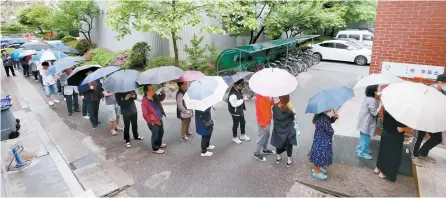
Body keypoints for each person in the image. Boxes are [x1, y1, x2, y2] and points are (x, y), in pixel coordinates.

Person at [412, 74, 446, 166]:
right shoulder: (428, 90)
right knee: (419, 137)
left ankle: (422, 152)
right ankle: (414, 155)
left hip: (434, 119)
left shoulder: (443, 92)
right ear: (440, 82)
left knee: (438, 138)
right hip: (423, 117)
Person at [374, 110, 408, 181]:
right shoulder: (402, 111)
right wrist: (407, 126)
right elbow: (400, 129)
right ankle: (383, 173)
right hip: (394, 137)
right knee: (391, 154)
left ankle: (378, 168)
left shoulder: (390, 104)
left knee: (383, 151)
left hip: (385, 132)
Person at [309, 109, 339, 180]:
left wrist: (334, 118)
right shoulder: (323, 119)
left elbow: (329, 121)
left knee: (318, 154)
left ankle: (317, 168)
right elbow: (330, 131)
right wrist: (332, 130)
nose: (331, 107)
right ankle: (316, 171)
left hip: (319, 139)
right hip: (322, 141)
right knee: (320, 155)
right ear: (324, 109)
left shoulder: (322, 116)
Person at [356, 85, 383, 160]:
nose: (380, 91)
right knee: (366, 138)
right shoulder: (372, 100)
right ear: (373, 91)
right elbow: (374, 113)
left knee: (363, 137)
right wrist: (380, 105)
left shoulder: (368, 98)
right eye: (378, 90)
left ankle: (360, 149)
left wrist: (378, 101)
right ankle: (362, 153)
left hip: (363, 121)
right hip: (367, 123)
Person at [271, 95, 297, 167]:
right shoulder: (289, 111)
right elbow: (294, 118)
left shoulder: (274, 107)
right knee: (289, 145)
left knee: (278, 142)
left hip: (278, 129)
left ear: (279, 98)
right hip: (287, 131)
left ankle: (278, 157)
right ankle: (289, 161)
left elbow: (274, 116)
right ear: (288, 100)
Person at [141, 85, 167, 154]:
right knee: (155, 134)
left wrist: (163, 93)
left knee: (161, 132)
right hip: (153, 121)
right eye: (151, 89)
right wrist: (151, 121)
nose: (153, 90)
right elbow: (145, 115)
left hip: (159, 118)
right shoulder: (144, 102)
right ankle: (155, 148)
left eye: (153, 89)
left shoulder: (154, 96)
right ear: (146, 91)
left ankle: (159, 144)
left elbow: (161, 98)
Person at [253, 94, 275, 161]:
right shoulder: (259, 97)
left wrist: (271, 102)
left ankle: (265, 149)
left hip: (267, 119)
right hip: (263, 121)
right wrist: (263, 123)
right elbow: (259, 112)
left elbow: (267, 106)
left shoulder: (265, 95)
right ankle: (256, 153)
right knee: (262, 136)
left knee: (267, 135)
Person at [228, 79, 250, 144]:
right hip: (235, 111)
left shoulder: (238, 89)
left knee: (243, 122)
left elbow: (240, 96)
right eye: (241, 86)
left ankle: (243, 135)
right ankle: (234, 137)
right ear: (236, 85)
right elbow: (234, 104)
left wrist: (243, 97)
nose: (242, 87)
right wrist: (243, 99)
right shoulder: (233, 95)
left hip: (240, 110)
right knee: (236, 124)